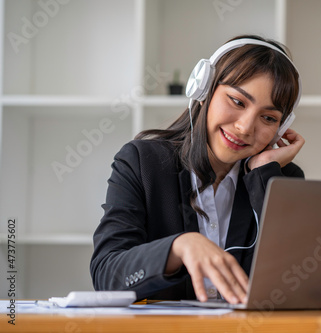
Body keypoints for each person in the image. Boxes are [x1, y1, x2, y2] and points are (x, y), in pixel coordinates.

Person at [90, 35, 305, 304]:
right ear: (204, 91)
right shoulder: (142, 163)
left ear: (280, 129)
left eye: (268, 118)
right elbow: (107, 276)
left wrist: (263, 176)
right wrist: (178, 248)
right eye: (237, 101)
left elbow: (298, 284)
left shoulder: (280, 179)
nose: (245, 127)